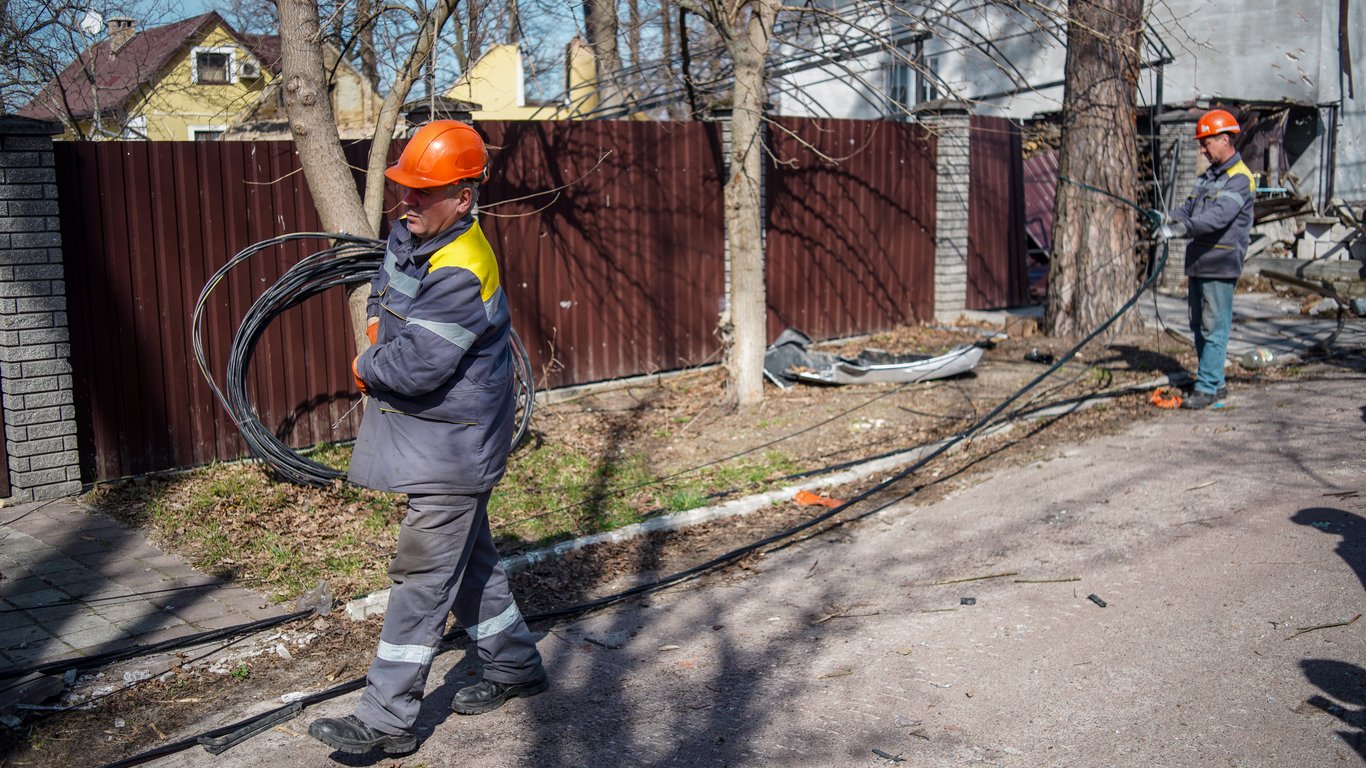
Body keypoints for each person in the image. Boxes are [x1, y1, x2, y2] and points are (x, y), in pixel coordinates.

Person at [308, 120, 547, 755]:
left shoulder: (464, 268)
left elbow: (416, 366)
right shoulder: (416, 238)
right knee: (471, 564)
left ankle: (385, 720)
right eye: (404, 189)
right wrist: (378, 333)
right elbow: (384, 302)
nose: (405, 201)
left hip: (454, 448)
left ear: (463, 198)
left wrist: (365, 366)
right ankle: (514, 663)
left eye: (422, 191)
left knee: (420, 579)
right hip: (439, 439)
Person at [1152, 108, 1256, 410]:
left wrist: (1178, 230)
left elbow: (1217, 217)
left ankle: (1208, 387)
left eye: (1206, 142)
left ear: (1224, 139)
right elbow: (1187, 210)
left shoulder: (1240, 179)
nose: (1201, 148)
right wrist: (1165, 218)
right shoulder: (1207, 177)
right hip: (1199, 262)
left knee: (1214, 327)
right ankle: (1216, 383)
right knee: (1199, 325)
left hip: (1220, 264)